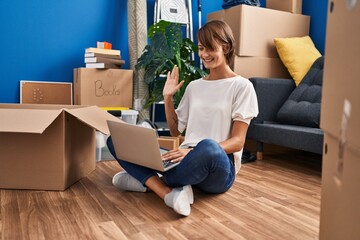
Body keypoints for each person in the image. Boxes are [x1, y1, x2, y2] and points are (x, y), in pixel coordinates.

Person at [107, 20, 259, 216]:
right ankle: (166, 192)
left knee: (208, 146)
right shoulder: (194, 86)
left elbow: (238, 142)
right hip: (183, 159)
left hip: (218, 165)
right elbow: (176, 131)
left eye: (210, 48)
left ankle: (148, 181)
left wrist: (193, 152)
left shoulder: (242, 86)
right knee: (116, 140)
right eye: (201, 48)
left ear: (226, 47)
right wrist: (168, 98)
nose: (203, 55)